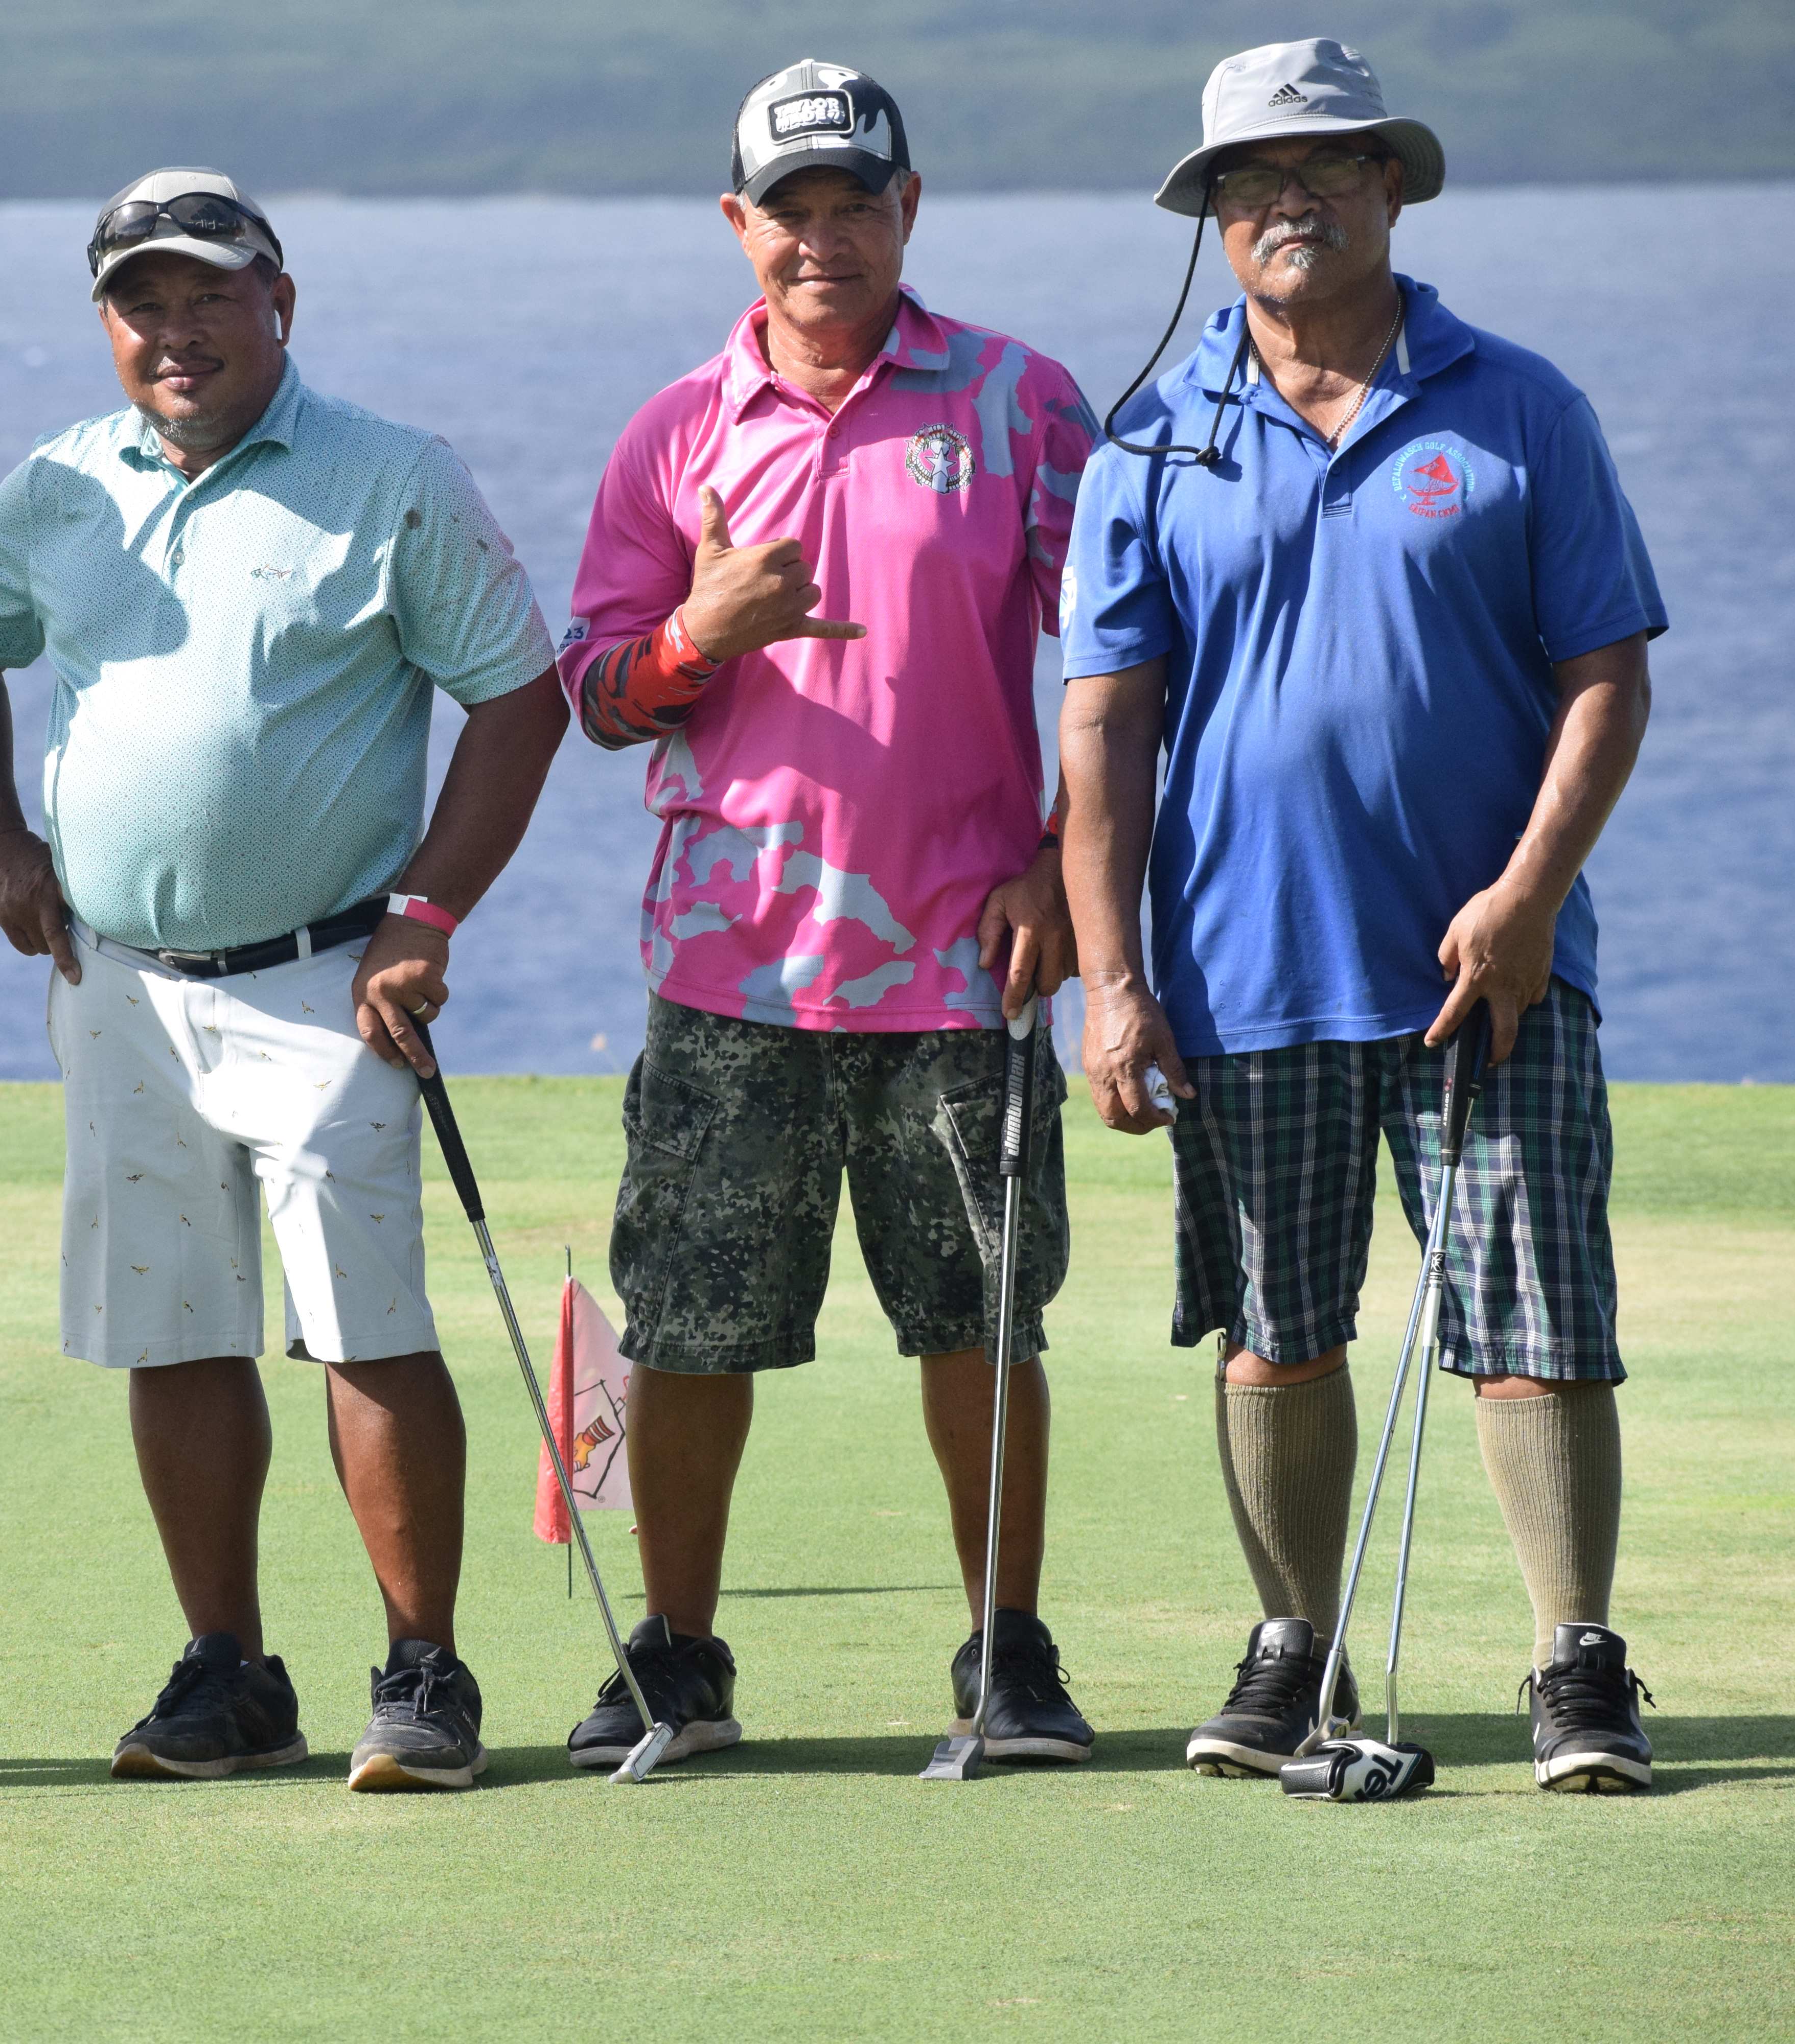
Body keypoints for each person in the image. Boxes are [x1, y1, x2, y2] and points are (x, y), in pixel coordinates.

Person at [0, 170, 567, 1793]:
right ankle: (231, 1671)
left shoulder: (392, 477)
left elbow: (520, 698)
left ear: (282, 300)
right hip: (121, 985)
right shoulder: (59, 486)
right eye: (145, 301)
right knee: (173, 1326)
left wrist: (431, 912)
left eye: (211, 293)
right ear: (107, 323)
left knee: (366, 1326)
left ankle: (424, 1670)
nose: (178, 330)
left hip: (332, 978)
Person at [1061, 39, 1664, 1792]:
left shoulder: (1520, 403)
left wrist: (1530, 893)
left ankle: (1576, 1665)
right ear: (1215, 219)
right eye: (1253, 181)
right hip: (1241, 975)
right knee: (1275, 1324)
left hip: (1495, 968)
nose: (1291, 202)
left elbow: (1605, 676)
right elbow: (1102, 729)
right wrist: (1114, 983)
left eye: (1326, 168)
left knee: (1537, 1323)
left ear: (1393, 185)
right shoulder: (1153, 441)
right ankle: (1289, 1652)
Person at [554, 60, 1099, 1774]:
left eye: (854, 203)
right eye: (787, 212)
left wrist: (1068, 871)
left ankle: (1006, 1654)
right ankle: (681, 1661)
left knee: (982, 1323)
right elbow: (592, 686)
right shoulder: (675, 430)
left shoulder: (1020, 404)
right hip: (727, 973)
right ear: (739, 228)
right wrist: (700, 636)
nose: (822, 239)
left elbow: (1124, 667)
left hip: (965, 962)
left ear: (909, 210)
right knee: (690, 1329)